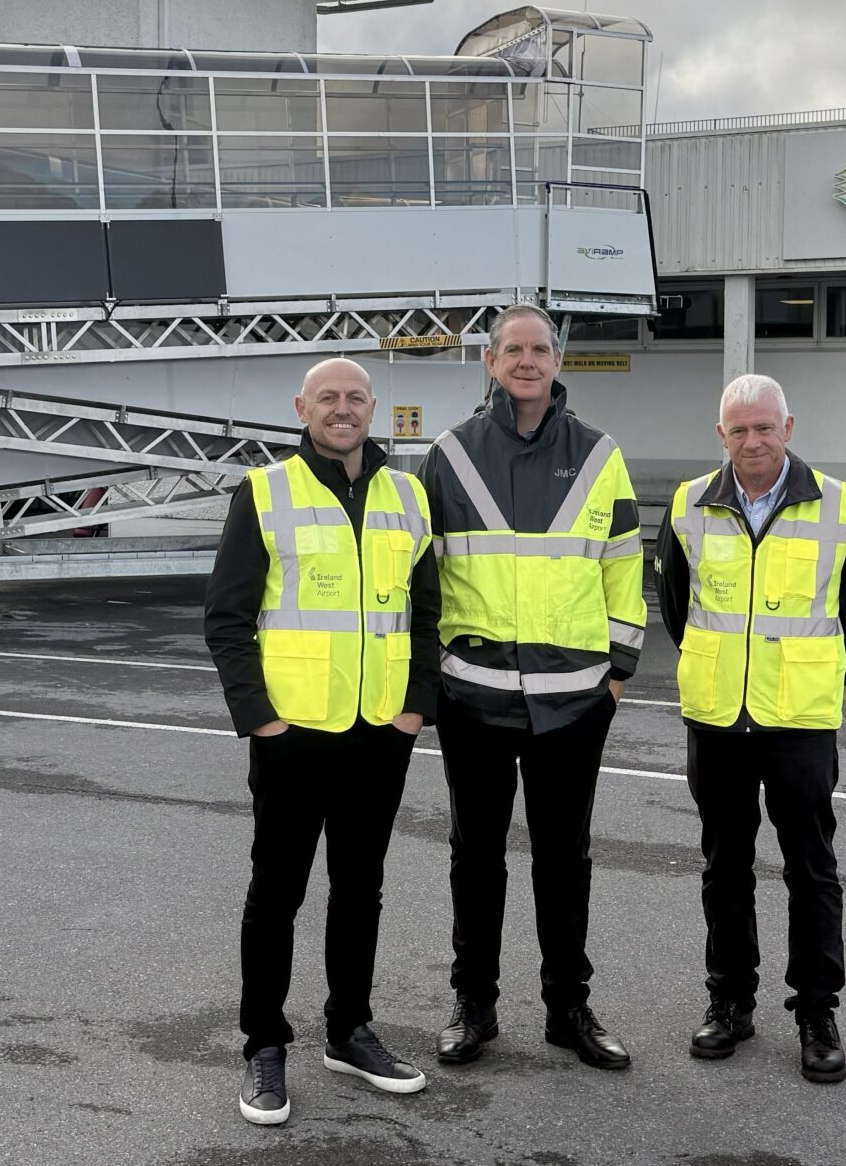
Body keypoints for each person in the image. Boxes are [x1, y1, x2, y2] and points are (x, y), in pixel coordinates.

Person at [203, 356, 442, 1127]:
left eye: (356, 397)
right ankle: (264, 1043)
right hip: (293, 735)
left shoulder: (408, 495)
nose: (343, 408)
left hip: (380, 732)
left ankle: (348, 1030)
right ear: (303, 407)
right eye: (328, 397)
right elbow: (228, 617)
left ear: (374, 407)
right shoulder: (265, 491)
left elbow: (429, 615)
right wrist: (261, 720)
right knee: (276, 893)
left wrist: (413, 711)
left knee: (360, 889)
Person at [419, 303, 645, 1071]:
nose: (525, 360)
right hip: (473, 697)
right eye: (511, 348)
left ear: (557, 360)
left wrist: (618, 675)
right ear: (490, 362)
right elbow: (425, 575)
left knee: (564, 859)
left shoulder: (598, 454)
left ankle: (567, 1008)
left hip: (575, 701)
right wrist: (432, 680)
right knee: (475, 858)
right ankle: (473, 1005)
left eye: (538, 348)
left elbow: (623, 565)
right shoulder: (448, 454)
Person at [655, 372, 846, 1084]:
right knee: (724, 868)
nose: (752, 440)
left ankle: (817, 1010)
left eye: (764, 427)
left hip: (799, 724)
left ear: (790, 427)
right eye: (738, 429)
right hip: (718, 719)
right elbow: (675, 604)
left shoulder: (842, 506)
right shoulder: (689, 503)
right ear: (720, 434)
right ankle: (730, 1001)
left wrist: (808, 680)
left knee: (811, 868)